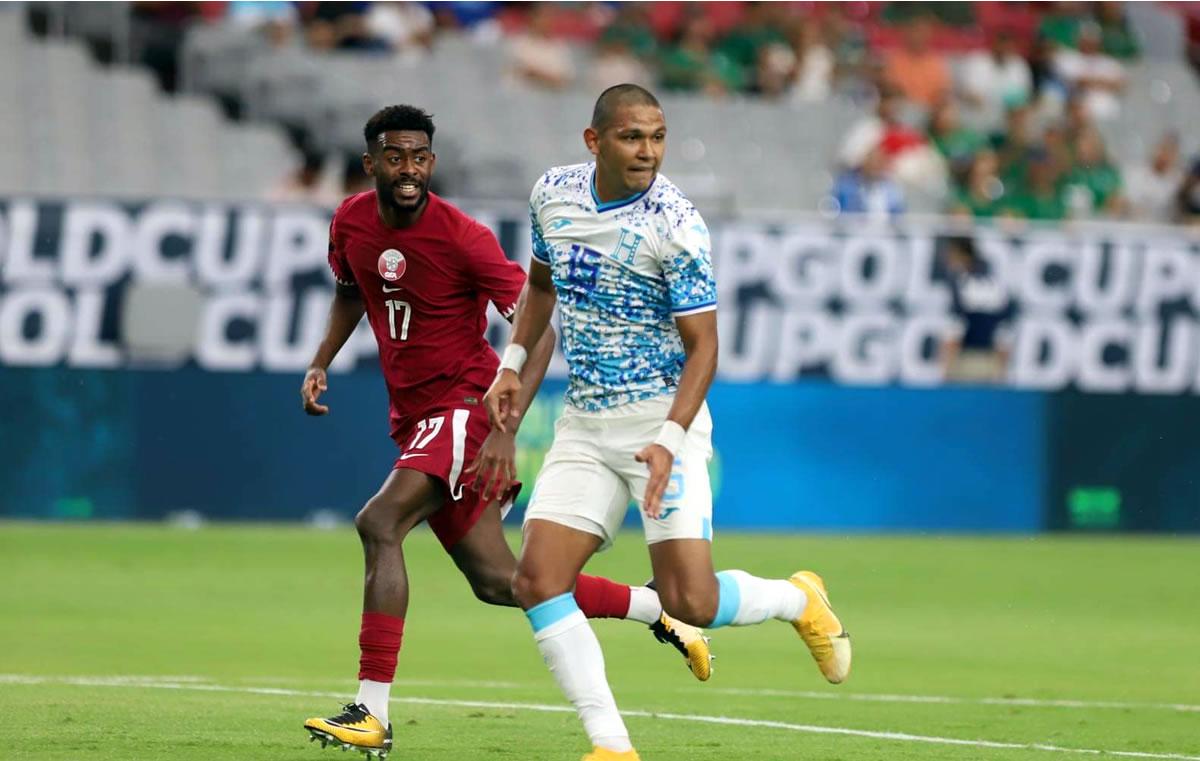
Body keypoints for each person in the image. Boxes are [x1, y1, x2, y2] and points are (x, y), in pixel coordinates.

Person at [299, 104, 713, 760]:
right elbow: (353, 288)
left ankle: (371, 711)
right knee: (504, 581)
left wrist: (504, 424)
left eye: (420, 157)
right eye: (395, 157)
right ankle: (655, 607)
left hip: (466, 405)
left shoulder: (462, 237)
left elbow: (538, 325)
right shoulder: (349, 220)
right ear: (371, 163)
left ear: (431, 162)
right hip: (416, 417)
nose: (409, 170)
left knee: (379, 523)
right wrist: (321, 358)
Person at [483, 85, 852, 761]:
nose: (647, 150)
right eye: (631, 137)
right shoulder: (552, 194)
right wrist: (511, 362)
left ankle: (797, 599)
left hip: (660, 421)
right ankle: (612, 746)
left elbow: (704, 348)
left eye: (656, 136)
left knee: (691, 598)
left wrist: (670, 438)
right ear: (594, 141)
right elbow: (540, 286)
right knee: (536, 579)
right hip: (585, 421)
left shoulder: (676, 223)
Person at [939, 236, 1013, 384]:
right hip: (992, 361)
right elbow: (1005, 332)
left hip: (965, 360)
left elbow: (955, 329)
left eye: (950, 255)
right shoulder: (996, 283)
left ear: (962, 255)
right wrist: (1002, 370)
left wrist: (946, 369)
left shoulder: (961, 282)